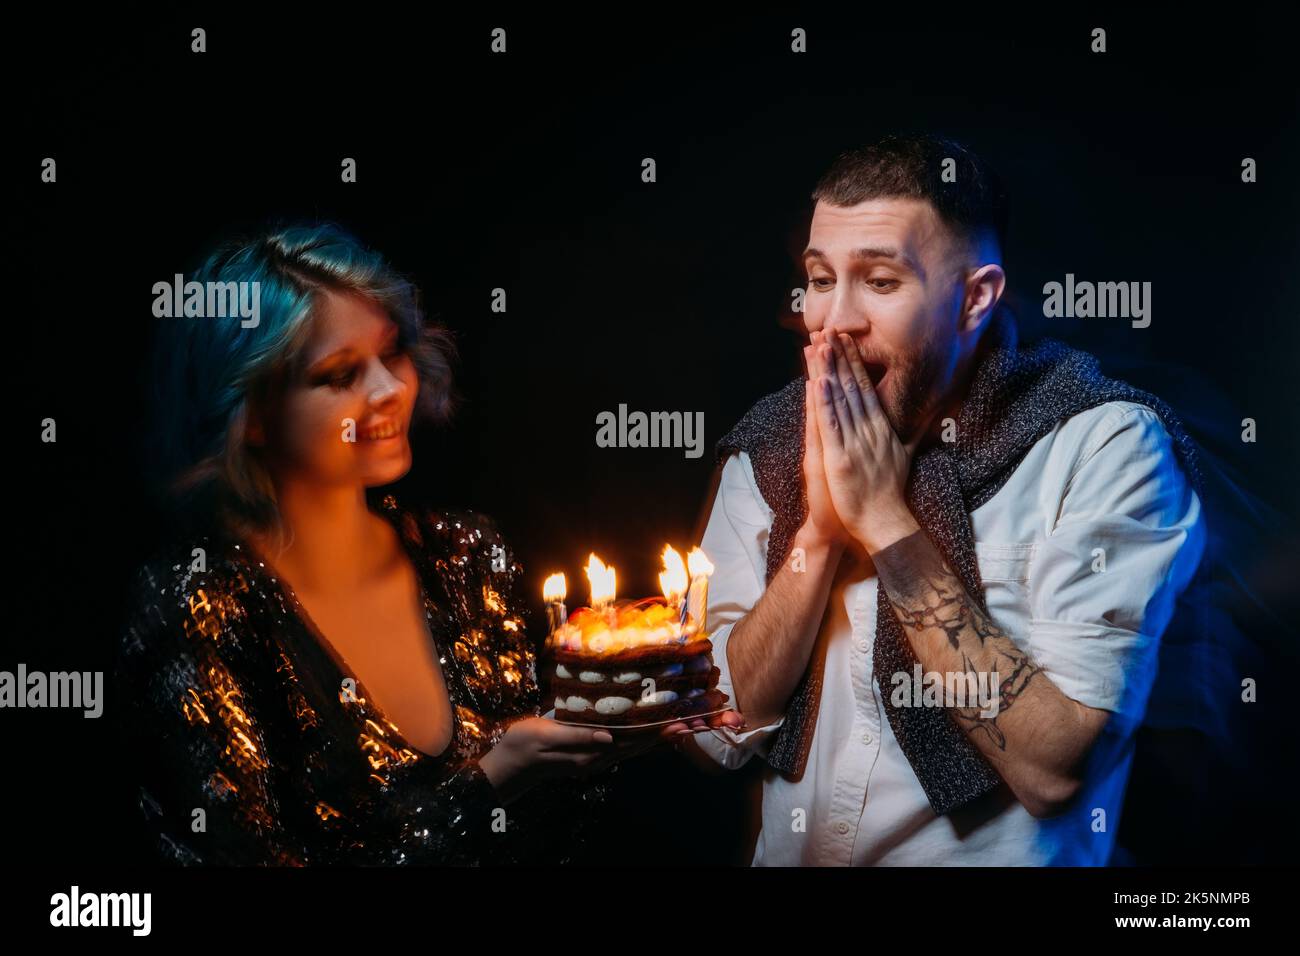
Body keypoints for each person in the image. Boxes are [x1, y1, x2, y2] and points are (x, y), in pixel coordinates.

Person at [116, 222, 739, 865]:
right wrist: (490, 781)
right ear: (250, 415)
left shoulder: (466, 554)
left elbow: (555, 838)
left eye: (392, 353)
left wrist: (605, 739)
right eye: (339, 374)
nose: (390, 389)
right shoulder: (197, 606)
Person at [690, 134, 1207, 865]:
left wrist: (883, 520)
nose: (833, 320)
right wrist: (820, 535)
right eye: (819, 277)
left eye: (879, 281)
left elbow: (1055, 771)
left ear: (973, 301)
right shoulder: (771, 444)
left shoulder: (1103, 447)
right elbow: (717, 735)